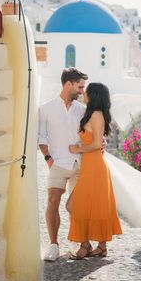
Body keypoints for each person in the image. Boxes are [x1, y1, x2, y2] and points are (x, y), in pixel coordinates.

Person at [66, 83, 122, 260]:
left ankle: (87, 246)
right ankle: (99, 247)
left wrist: (77, 150)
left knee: (74, 205)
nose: (84, 93)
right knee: (92, 205)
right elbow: (98, 142)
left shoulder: (96, 115)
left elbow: (97, 143)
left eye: (87, 90)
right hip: (90, 166)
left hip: (95, 167)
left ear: (94, 95)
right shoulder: (92, 114)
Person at [38, 68, 88, 261]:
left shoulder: (82, 110)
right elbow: (41, 138)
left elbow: (89, 135)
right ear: (68, 84)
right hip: (57, 163)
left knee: (77, 206)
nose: (82, 91)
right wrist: (49, 159)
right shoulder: (46, 108)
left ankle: (78, 241)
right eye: (80, 86)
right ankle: (53, 245)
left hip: (79, 165)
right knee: (52, 202)